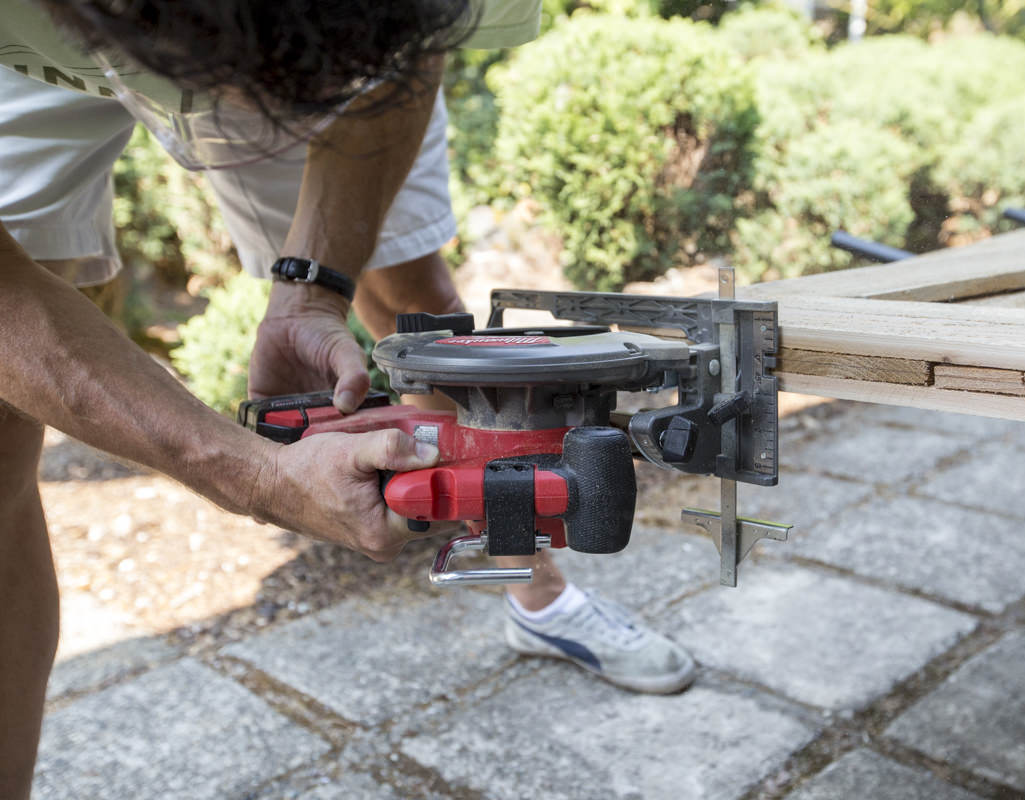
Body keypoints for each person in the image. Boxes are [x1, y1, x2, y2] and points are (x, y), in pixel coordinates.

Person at [0, 1, 694, 796]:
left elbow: (403, 55)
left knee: (422, 322)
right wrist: (246, 475)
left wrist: (312, 289)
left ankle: (539, 601)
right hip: (19, 57)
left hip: (297, 43)